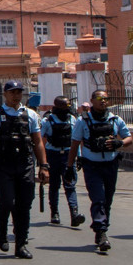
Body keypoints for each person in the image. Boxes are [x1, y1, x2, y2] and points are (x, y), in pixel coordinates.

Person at [0, 81, 49, 259]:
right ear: (5, 94)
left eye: (19, 92)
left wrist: (43, 166)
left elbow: (37, 142)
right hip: (4, 165)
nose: (16, 95)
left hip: (25, 165)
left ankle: (21, 243)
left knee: (24, 205)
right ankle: (2, 233)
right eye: (12, 92)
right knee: (6, 201)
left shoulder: (31, 115)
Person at [66, 89, 132, 252]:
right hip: (91, 166)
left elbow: (128, 138)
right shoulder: (83, 122)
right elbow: (74, 144)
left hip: (111, 165)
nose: (103, 101)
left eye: (105, 98)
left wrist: (120, 143)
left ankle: (101, 228)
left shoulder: (115, 120)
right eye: (99, 98)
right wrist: (69, 167)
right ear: (92, 100)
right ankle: (102, 232)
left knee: (107, 199)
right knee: (98, 198)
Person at [40, 96, 85, 227]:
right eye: (65, 106)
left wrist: (79, 157)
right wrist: (42, 162)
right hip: (52, 155)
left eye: (69, 106)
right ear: (57, 107)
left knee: (70, 185)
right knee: (54, 185)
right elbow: (40, 140)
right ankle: (54, 213)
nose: (68, 108)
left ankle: (74, 214)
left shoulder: (72, 119)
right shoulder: (47, 120)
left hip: (68, 155)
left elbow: (76, 140)